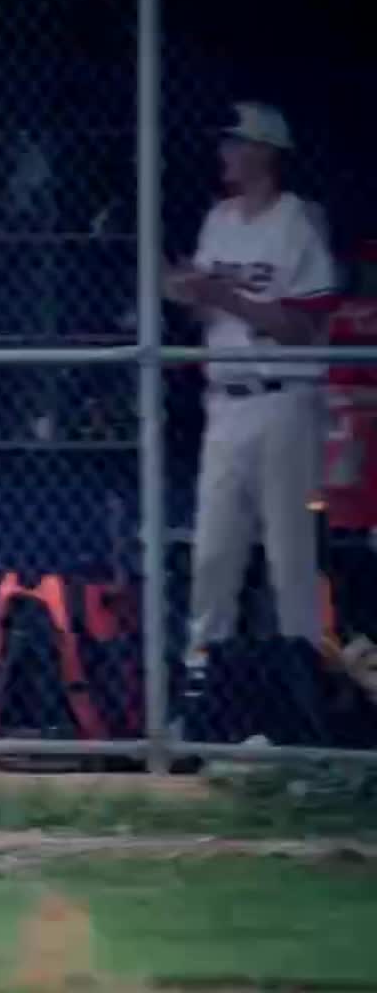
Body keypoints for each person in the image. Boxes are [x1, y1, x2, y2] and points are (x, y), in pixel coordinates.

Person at [166, 102, 340, 736]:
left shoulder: (298, 223)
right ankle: (201, 697)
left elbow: (303, 324)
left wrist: (224, 296)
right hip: (226, 401)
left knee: (289, 559)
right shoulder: (218, 221)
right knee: (213, 557)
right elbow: (210, 317)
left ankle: (305, 706)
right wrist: (187, 294)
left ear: (266, 152)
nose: (226, 154)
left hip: (284, 400)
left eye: (238, 144)